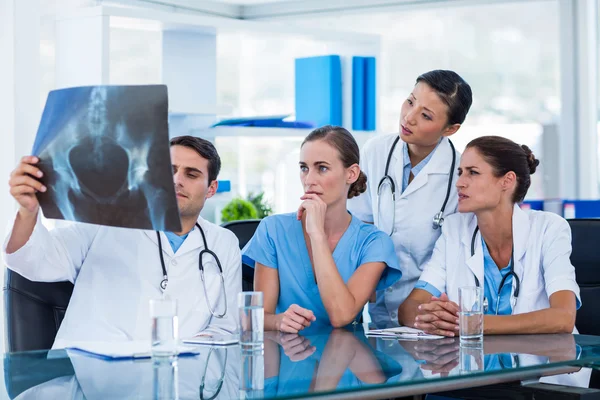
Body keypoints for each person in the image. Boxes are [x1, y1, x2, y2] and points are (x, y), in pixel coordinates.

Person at [2, 135, 241, 349]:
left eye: (191, 174)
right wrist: (28, 212)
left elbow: (225, 328)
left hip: (175, 377)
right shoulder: (106, 219)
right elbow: (29, 259)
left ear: (211, 189)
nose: (177, 180)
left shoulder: (223, 243)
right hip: (86, 375)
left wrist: (183, 356)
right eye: (169, 170)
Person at [397, 136, 581, 336]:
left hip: (547, 361)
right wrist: (435, 319)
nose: (459, 183)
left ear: (507, 180)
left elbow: (564, 317)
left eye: (473, 173)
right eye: (460, 173)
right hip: (476, 361)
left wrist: (473, 324)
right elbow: (409, 308)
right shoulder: (455, 229)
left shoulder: (549, 229)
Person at [243, 125, 402, 333]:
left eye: (322, 168)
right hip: (286, 359)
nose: (309, 180)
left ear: (351, 174)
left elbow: (342, 315)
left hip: (345, 360)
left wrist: (316, 235)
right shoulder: (272, 230)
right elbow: (259, 318)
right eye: (304, 168)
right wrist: (277, 321)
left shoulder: (374, 243)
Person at [348, 70, 473, 327]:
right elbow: (358, 224)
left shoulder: (461, 176)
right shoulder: (375, 152)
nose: (409, 117)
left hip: (429, 315)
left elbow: (454, 256)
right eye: (410, 101)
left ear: (450, 129)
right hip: (374, 308)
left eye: (426, 115)